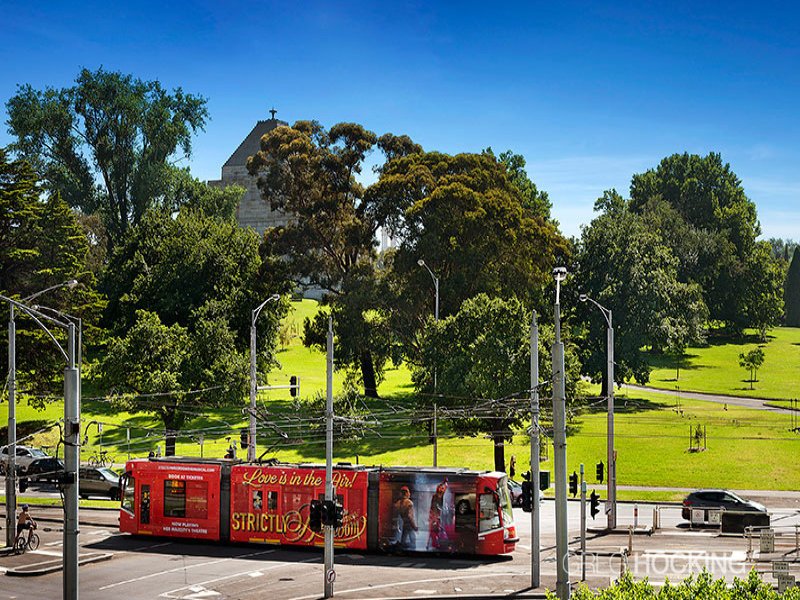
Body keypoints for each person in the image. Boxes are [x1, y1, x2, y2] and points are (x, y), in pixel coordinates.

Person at [393, 485, 418, 550]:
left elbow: (396, 516)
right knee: (413, 542)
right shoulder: (409, 503)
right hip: (409, 525)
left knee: (403, 540)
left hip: (405, 524)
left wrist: (397, 525)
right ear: (407, 493)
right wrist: (414, 526)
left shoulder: (398, 503)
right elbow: (410, 516)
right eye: (408, 492)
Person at [427, 479, 448, 550]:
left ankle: (435, 543)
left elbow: (445, 487)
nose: (442, 489)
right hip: (434, 516)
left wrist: (444, 482)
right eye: (441, 488)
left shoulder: (441, 495)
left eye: (443, 488)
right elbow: (433, 507)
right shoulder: (435, 496)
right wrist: (435, 517)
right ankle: (434, 543)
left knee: (437, 530)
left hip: (437, 515)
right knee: (434, 530)